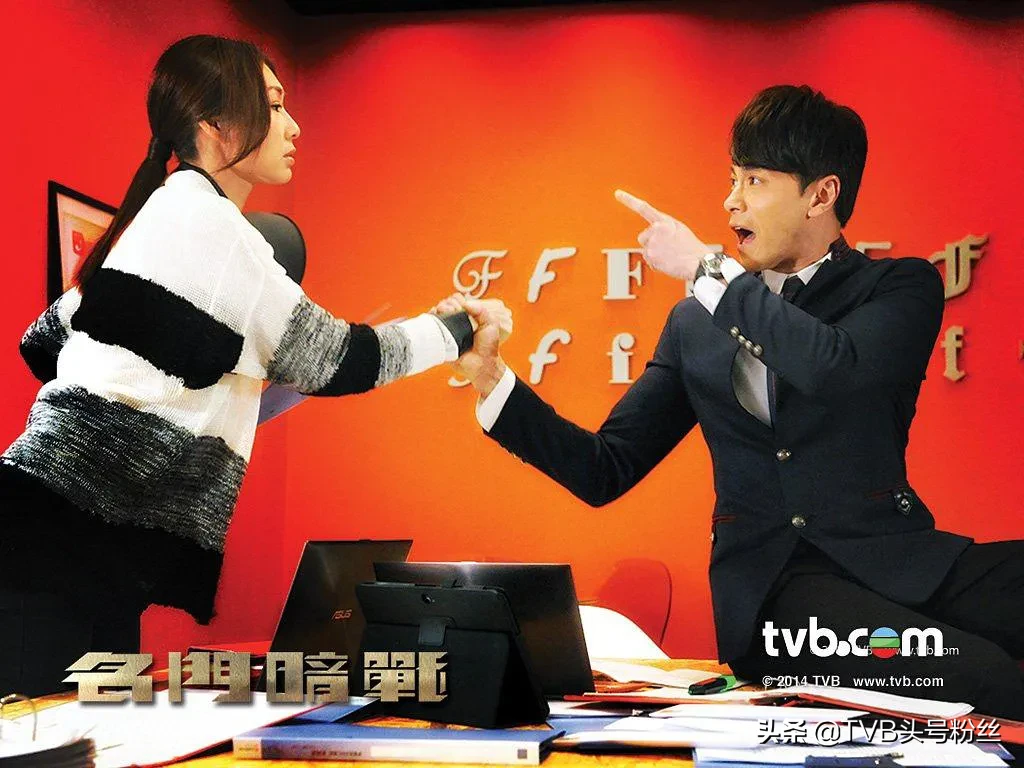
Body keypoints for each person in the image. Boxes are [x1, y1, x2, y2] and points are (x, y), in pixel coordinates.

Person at [437, 85, 1024, 718]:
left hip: (900, 557)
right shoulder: (696, 322)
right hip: (778, 596)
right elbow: (605, 467)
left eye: (755, 181)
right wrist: (491, 378)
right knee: (984, 676)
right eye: (732, 178)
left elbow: (834, 367)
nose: (731, 200)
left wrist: (706, 272)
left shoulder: (898, 287)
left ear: (821, 195)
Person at [0, 34, 510, 697]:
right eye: (273, 105)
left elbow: (41, 343)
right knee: (51, 733)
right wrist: (459, 329)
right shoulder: (214, 229)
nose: (293, 126)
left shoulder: (162, 216)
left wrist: (194, 384)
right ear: (216, 123)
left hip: (69, 544)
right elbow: (341, 360)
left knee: (91, 726)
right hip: (56, 552)